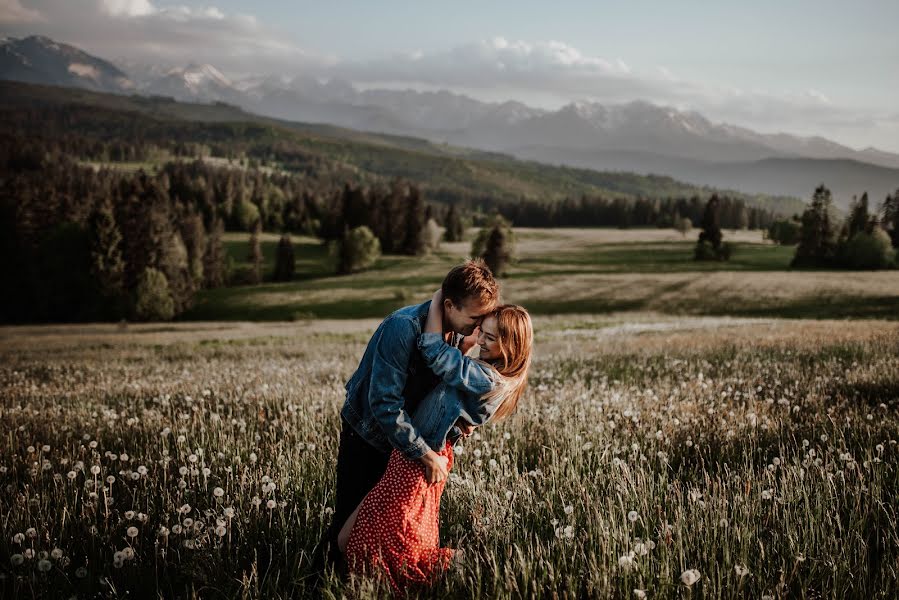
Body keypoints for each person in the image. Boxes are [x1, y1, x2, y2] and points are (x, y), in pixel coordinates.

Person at [338, 292, 534, 595]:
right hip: (413, 453)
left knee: (384, 544)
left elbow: (433, 351)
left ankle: (470, 565)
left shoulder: (488, 378)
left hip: (420, 458)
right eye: (482, 330)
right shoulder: (487, 371)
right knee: (356, 536)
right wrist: (465, 345)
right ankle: (375, 581)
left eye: (490, 338)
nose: (481, 340)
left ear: (510, 347)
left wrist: (437, 302)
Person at [315, 260, 500, 572]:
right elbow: (384, 404)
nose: (478, 328)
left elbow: (438, 387)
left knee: (383, 524)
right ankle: (318, 581)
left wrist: (457, 421)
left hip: (403, 440)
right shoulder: (404, 327)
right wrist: (426, 455)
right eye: (475, 318)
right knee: (348, 521)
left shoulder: (454, 331)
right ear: (450, 305)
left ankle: (368, 581)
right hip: (368, 436)